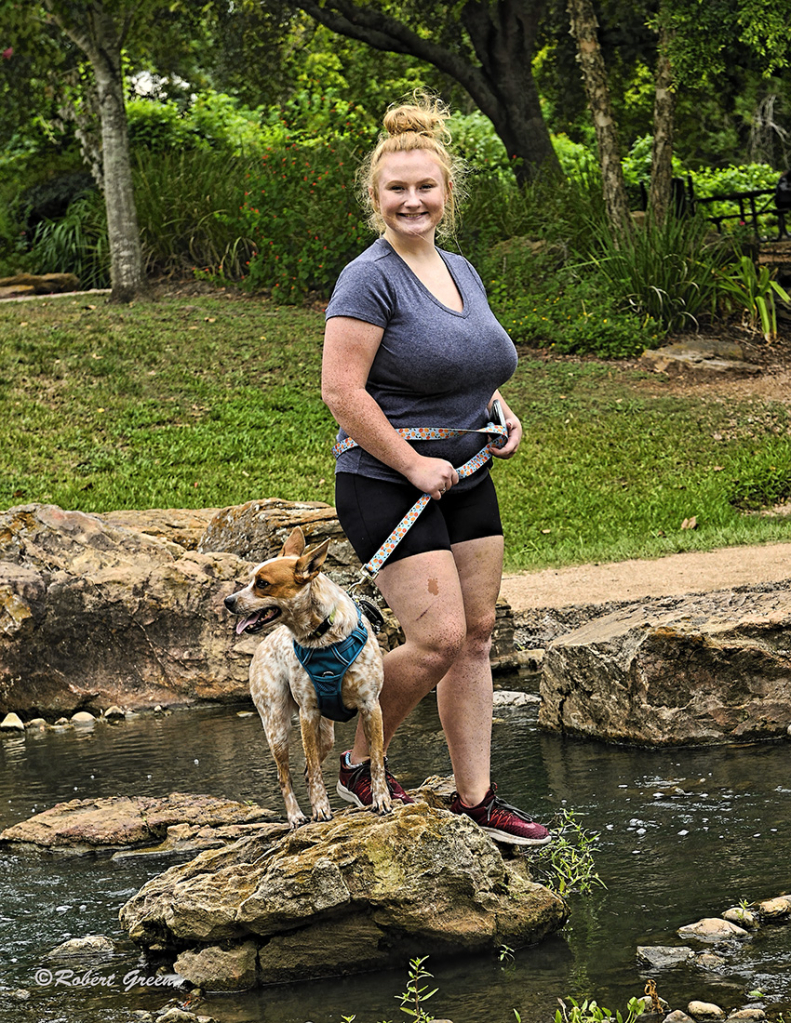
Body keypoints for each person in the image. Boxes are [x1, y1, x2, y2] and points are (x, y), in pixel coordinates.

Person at [320, 95, 551, 847]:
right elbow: (341, 391)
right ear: (375, 198)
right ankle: (359, 759)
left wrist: (499, 409)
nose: (411, 200)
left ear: (445, 194)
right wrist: (412, 462)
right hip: (387, 480)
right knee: (439, 638)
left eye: (425, 188)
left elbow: (472, 364)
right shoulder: (369, 278)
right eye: (397, 189)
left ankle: (476, 798)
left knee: (479, 635)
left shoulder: (458, 268)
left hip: (466, 472)